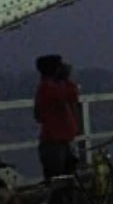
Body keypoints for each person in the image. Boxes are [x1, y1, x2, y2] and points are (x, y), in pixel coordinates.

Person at [33, 55, 81, 184]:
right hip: (55, 144)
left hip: (61, 142)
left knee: (66, 182)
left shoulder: (48, 87)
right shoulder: (47, 88)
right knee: (59, 183)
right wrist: (67, 80)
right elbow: (71, 96)